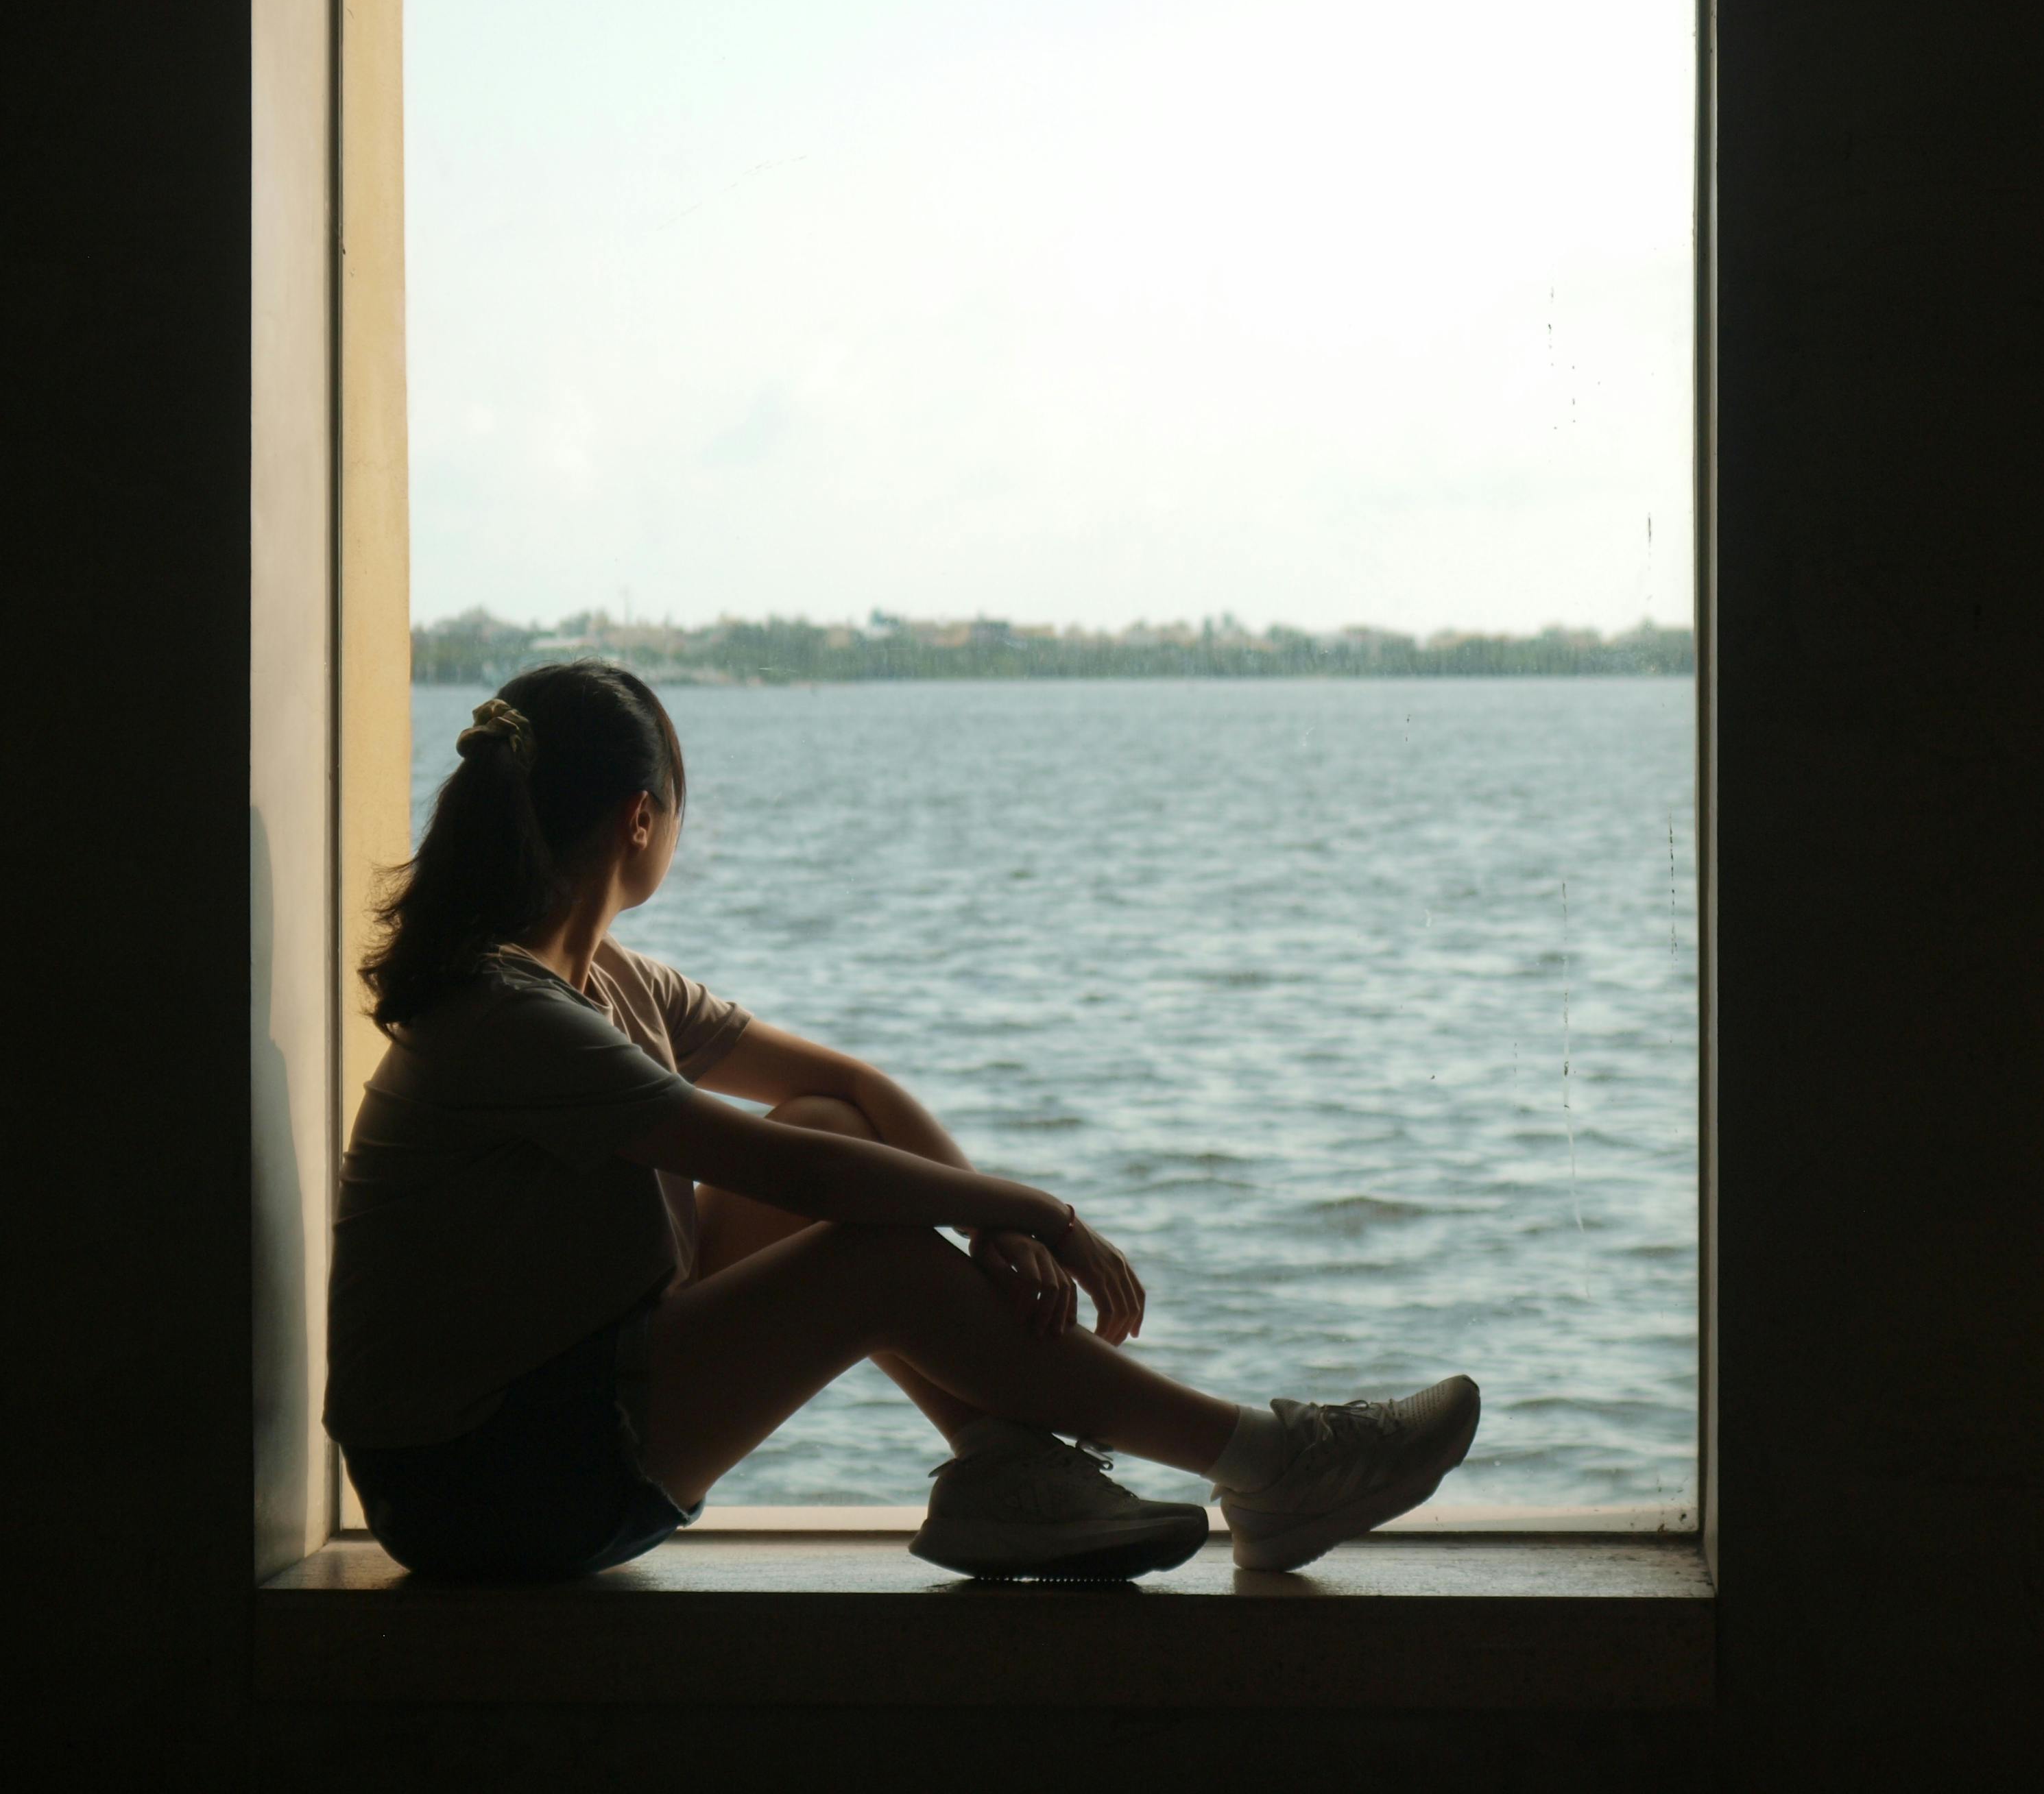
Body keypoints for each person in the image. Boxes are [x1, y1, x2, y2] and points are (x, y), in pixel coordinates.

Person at [324, 659, 1478, 1584]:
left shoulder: (612, 980)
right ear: (640, 818)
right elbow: (795, 1174)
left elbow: (846, 1097)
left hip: (561, 1417)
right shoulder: (504, 1014)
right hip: (481, 1489)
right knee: (871, 1256)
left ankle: (1002, 1464)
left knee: (836, 1124)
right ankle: (1273, 1463)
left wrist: (993, 1228)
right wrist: (1032, 1211)